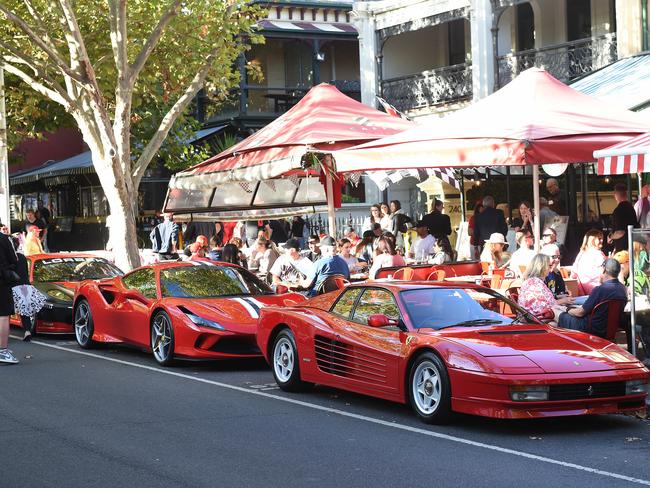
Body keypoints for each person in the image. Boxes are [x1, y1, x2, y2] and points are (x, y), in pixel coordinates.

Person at [558, 258, 627, 336]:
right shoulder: (623, 289)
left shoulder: (600, 290)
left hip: (591, 329)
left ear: (604, 270)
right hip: (610, 329)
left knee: (557, 314)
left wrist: (566, 309)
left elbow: (580, 313)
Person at [518, 254, 572, 323]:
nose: (550, 269)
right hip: (536, 321)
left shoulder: (533, 281)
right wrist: (563, 301)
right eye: (549, 266)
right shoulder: (535, 283)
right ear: (542, 267)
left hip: (533, 318)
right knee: (571, 318)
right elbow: (544, 307)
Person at [0, 230, 19, 364]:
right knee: (3, 316)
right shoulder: (4, 239)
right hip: (2, 280)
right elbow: (14, 258)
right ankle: (2, 351)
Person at [572, 229, 606, 294]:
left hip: (583, 291)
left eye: (602, 238)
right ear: (592, 240)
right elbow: (604, 272)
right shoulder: (598, 254)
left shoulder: (580, 254)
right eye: (599, 238)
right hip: (599, 290)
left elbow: (573, 274)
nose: (602, 240)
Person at [608, 183, 639, 253]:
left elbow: (620, 232)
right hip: (633, 246)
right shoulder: (631, 208)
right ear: (626, 194)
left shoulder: (618, 210)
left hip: (623, 250)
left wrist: (610, 237)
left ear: (615, 195)